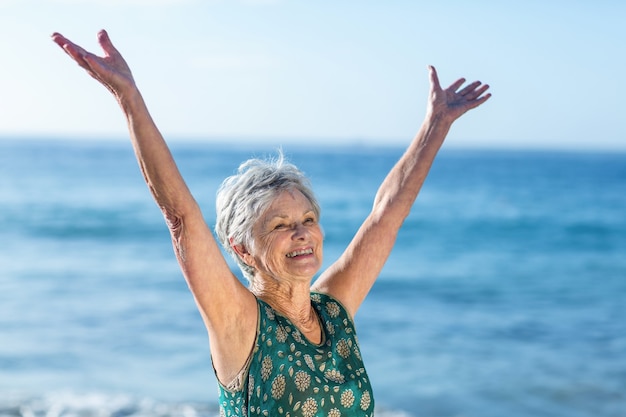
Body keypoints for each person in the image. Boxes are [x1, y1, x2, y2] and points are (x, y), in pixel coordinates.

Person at [51, 29, 490, 417]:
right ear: (241, 248)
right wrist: (129, 99)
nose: (301, 233)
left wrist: (436, 124)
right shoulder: (240, 322)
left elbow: (387, 214)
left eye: (308, 219)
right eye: (280, 225)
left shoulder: (334, 309)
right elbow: (182, 217)